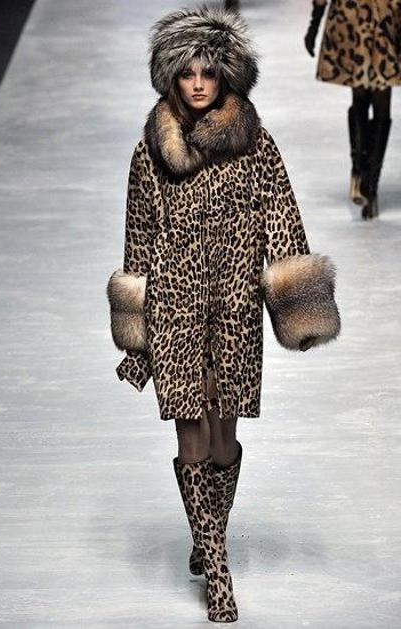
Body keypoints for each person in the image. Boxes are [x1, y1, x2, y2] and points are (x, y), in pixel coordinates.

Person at [107, 1, 341, 623]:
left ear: (226, 73)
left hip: (236, 307)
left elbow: (283, 221)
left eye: (208, 71)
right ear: (171, 76)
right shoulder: (150, 152)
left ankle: (205, 530)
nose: (198, 83)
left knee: (224, 437)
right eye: (186, 72)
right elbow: (136, 242)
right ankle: (218, 570)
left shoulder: (255, 144)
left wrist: (299, 308)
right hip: (175, 308)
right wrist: (136, 335)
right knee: (191, 432)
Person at [304, 0, 401, 219]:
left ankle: (360, 175)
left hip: (355, 19)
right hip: (384, 21)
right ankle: (369, 185)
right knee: (380, 106)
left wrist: (314, 24)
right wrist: (313, 26)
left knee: (362, 101)